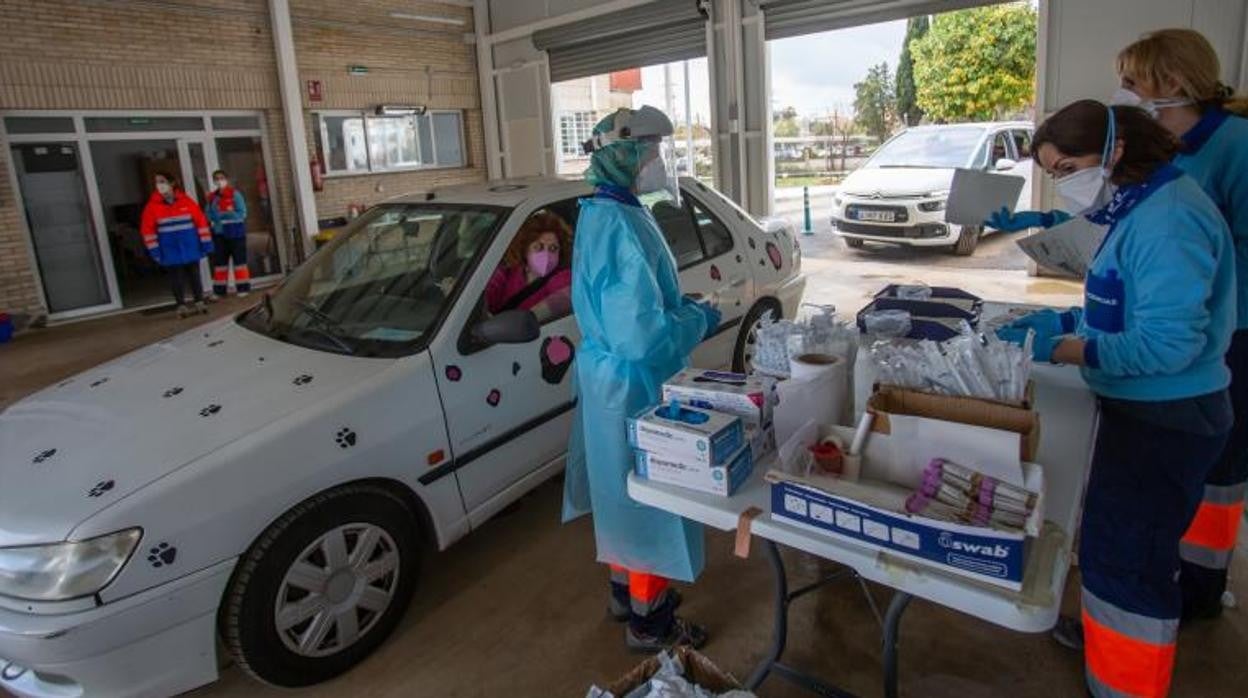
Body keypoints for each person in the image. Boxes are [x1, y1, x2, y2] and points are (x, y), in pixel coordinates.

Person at [996, 100, 1234, 698]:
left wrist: (1069, 349)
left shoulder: (1168, 220)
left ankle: (1125, 686)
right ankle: (1113, 658)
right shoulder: (1140, 204)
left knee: (1128, 563)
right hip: (1148, 408)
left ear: (1116, 149)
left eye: (1068, 166)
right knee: (1119, 549)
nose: (1065, 181)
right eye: (1053, 173)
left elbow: (1167, 344)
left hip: (1166, 414)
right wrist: (1080, 320)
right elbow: (1128, 300)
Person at [561, 106, 721, 652]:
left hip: (611, 380)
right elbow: (641, 335)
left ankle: (622, 593)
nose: (658, 162)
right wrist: (699, 317)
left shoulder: (604, 211)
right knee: (649, 500)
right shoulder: (621, 224)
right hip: (634, 381)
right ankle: (649, 622)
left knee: (618, 493)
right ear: (625, 154)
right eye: (651, 151)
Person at [1114, 28, 1248, 621]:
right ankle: (1167, 563)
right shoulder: (1171, 147)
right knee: (1168, 481)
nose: (1126, 89)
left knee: (1216, 467)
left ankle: (1199, 583)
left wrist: (1188, 274)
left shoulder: (1235, 145)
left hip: (1229, 334)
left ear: (1171, 81)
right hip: (1174, 327)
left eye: (1134, 79)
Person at [140, 171, 213, 318]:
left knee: (195, 276)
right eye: (157, 182)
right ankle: (181, 305)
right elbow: (147, 231)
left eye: (162, 181)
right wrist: (155, 251)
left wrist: (206, 244)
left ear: (172, 183)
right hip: (170, 250)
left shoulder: (186, 201)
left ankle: (199, 301)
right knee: (176, 279)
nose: (159, 185)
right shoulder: (152, 207)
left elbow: (201, 223)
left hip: (190, 247)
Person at [484, 211, 572, 319]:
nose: (546, 254)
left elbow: (562, 299)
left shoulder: (563, 276)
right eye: (538, 247)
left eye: (553, 248)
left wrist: (526, 320)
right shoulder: (508, 272)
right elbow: (484, 296)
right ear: (525, 250)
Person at [206, 169, 251, 298]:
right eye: (216, 179)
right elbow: (208, 214)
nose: (219, 181)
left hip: (236, 233)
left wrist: (225, 213)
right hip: (219, 234)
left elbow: (242, 213)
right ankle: (219, 291)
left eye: (221, 178)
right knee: (220, 264)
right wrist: (214, 217)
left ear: (227, 179)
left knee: (239, 262)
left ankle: (243, 288)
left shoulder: (235, 194)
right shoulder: (212, 197)